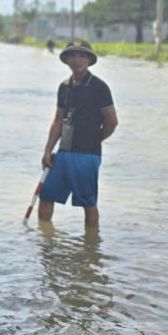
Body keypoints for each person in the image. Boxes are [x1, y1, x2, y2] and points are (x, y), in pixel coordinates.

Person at [37, 39, 117, 229]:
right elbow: (58, 120)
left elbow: (112, 122)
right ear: (67, 60)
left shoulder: (99, 87)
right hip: (63, 151)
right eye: (73, 55)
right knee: (46, 195)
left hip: (87, 155)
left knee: (87, 202)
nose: (77, 60)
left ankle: (90, 245)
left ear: (89, 60)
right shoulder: (64, 87)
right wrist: (48, 150)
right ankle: (45, 244)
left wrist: (95, 140)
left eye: (82, 55)